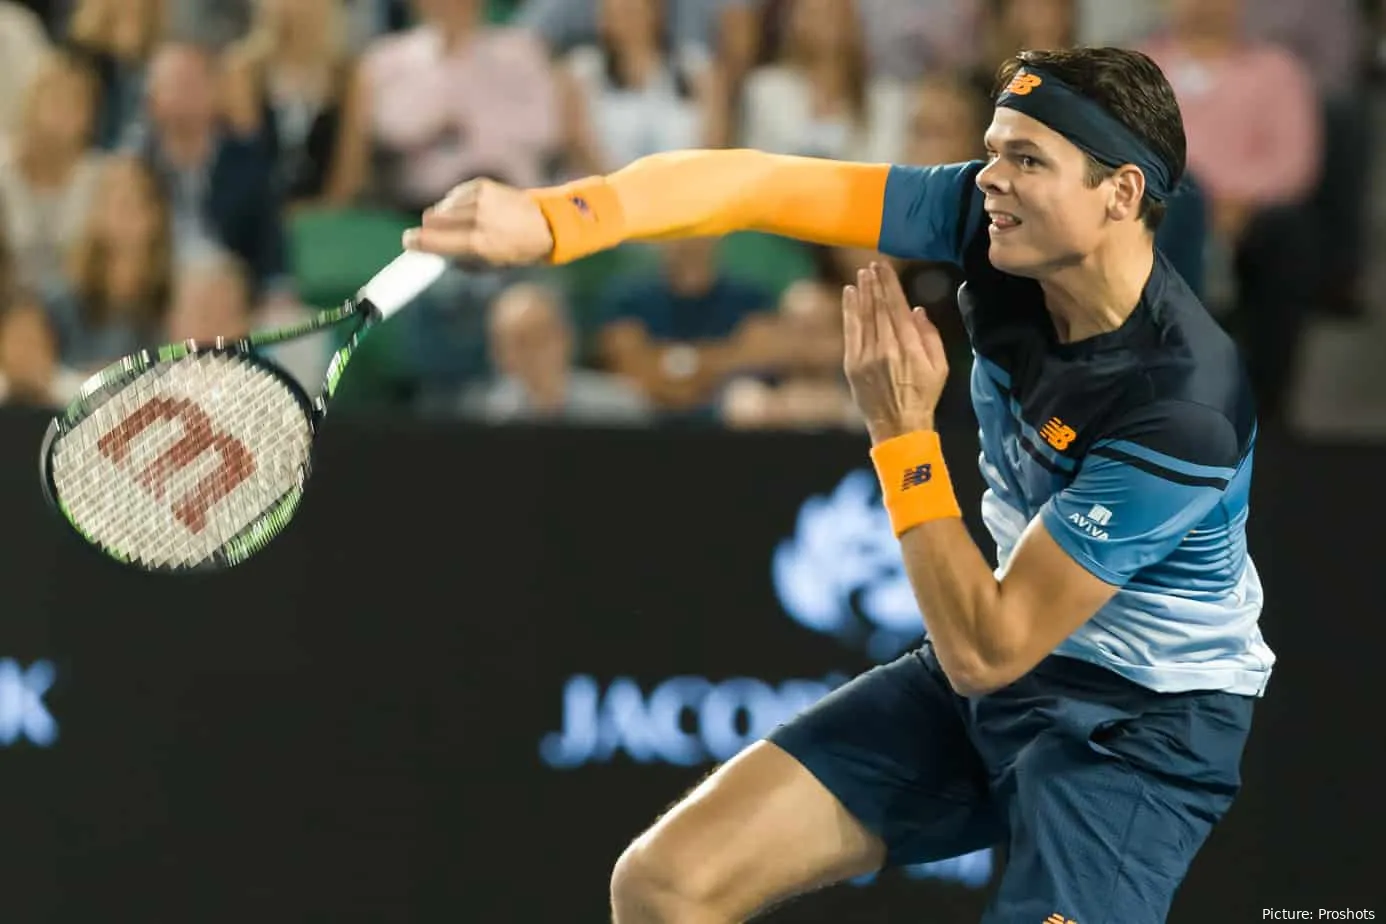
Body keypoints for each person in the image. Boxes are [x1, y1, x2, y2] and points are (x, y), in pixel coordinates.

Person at [404, 46, 1273, 924]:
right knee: (665, 887)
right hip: (995, 685)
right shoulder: (986, 221)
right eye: (993, 150)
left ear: (1121, 192)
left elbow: (987, 647)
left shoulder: (1182, 404)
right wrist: (557, 218)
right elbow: (750, 183)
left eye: (1026, 160)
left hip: (1136, 728)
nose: (991, 181)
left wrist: (902, 435)